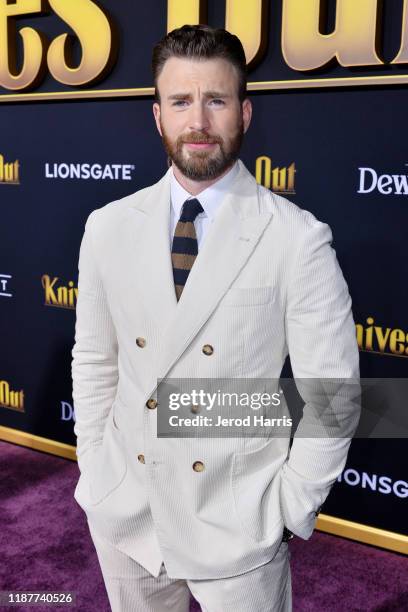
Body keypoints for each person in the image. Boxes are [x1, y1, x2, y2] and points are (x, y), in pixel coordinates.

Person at [71, 24, 360, 612]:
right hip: (128, 512)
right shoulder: (107, 227)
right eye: (180, 101)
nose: (197, 121)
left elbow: (333, 395)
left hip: (238, 526)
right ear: (157, 116)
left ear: (245, 113)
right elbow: (96, 358)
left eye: (216, 100)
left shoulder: (296, 239)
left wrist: (290, 508)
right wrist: (97, 466)